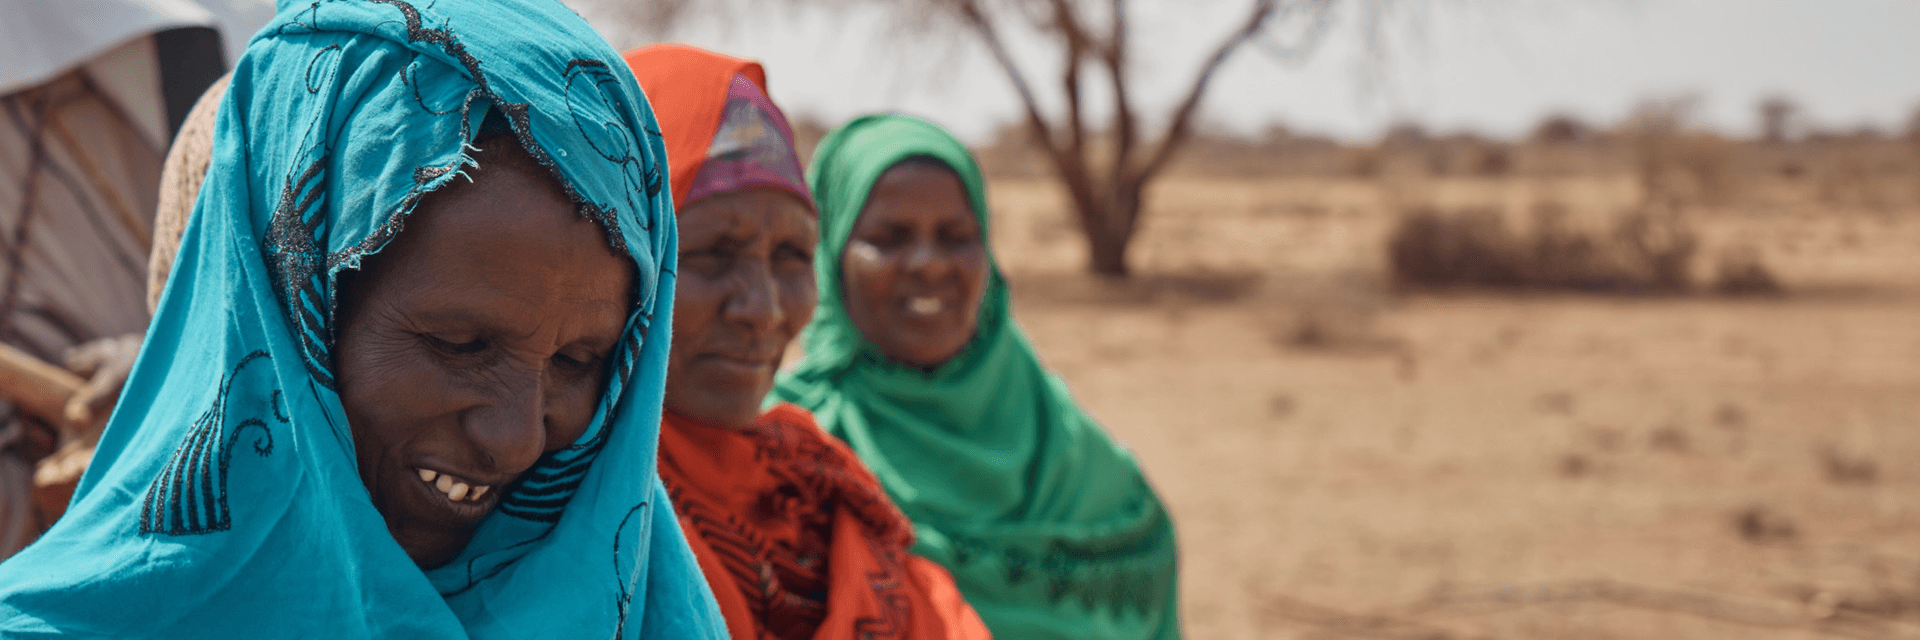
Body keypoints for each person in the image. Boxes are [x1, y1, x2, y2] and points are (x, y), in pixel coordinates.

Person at [0, 1, 729, 637]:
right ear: (287, 310)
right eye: (460, 344)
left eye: (577, 361)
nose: (514, 439)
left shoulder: (636, 607)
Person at [624, 44, 992, 640]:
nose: (765, 309)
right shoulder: (557, 513)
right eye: (713, 254)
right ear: (613, 259)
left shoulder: (813, 483)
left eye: (792, 256)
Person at [773, 114, 1182, 640]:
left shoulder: (1076, 458)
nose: (928, 263)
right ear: (828, 257)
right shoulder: (789, 447)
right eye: (889, 237)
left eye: (956, 236)